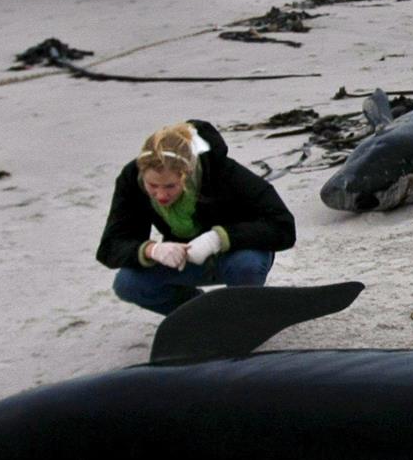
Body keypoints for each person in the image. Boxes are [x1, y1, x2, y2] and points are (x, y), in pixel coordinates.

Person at [98, 119, 296, 316]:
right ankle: (198, 313)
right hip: (185, 258)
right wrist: (152, 250)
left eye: (170, 186)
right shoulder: (132, 179)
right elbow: (111, 245)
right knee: (127, 284)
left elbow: (283, 226)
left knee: (247, 264)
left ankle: (242, 313)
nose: (160, 195)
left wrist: (218, 238)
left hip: (235, 254)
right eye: (152, 186)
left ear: (187, 173)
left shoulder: (222, 171)